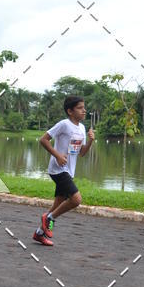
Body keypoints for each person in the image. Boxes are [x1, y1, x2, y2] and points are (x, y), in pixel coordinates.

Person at [33, 95, 95, 246]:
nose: (84, 110)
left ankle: (39, 233)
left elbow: (82, 153)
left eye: (84, 108)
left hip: (69, 171)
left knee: (58, 204)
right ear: (70, 111)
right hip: (58, 169)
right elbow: (43, 140)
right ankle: (49, 218)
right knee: (76, 199)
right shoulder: (64, 124)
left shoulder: (82, 128)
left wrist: (91, 141)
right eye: (80, 108)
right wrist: (58, 156)